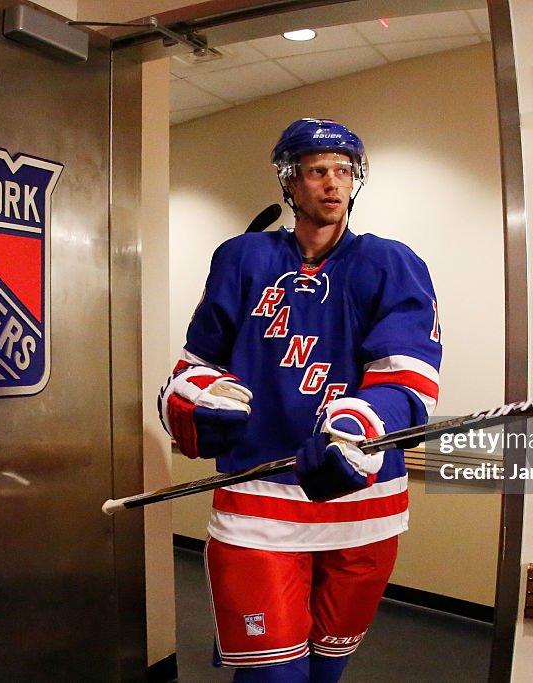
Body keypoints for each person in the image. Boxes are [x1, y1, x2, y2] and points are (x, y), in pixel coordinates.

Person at [158, 118, 442, 683]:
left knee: (326, 672)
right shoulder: (242, 259)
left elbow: (408, 374)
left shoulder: (391, 263)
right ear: (289, 182)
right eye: (317, 171)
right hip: (258, 503)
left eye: (344, 171)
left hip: (364, 507)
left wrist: (359, 426)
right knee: (273, 678)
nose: (333, 184)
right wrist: (193, 398)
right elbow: (198, 364)